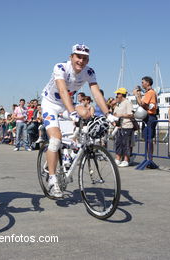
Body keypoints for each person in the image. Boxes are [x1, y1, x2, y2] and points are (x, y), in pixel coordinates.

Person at [41, 44, 117, 198]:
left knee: (87, 114)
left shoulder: (89, 72)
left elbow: (96, 93)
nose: (81, 61)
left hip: (66, 104)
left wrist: (108, 114)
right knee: (55, 140)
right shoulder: (61, 67)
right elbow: (62, 90)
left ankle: (76, 143)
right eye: (78, 57)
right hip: (50, 104)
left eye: (85, 58)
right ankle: (52, 177)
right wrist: (72, 113)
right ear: (71, 57)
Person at [133, 76, 158, 164]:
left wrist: (136, 95)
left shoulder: (150, 93)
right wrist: (139, 95)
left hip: (150, 117)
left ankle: (150, 159)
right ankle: (148, 159)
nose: (142, 84)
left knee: (149, 139)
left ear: (147, 83)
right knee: (147, 138)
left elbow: (142, 104)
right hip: (147, 117)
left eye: (143, 82)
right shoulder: (148, 93)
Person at [113, 88, 134, 167]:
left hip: (127, 125)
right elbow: (115, 113)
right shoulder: (119, 103)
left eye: (118, 94)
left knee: (126, 144)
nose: (116, 96)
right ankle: (118, 158)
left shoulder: (127, 102)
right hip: (119, 126)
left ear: (121, 94)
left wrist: (120, 115)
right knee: (118, 143)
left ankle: (126, 160)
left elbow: (131, 114)